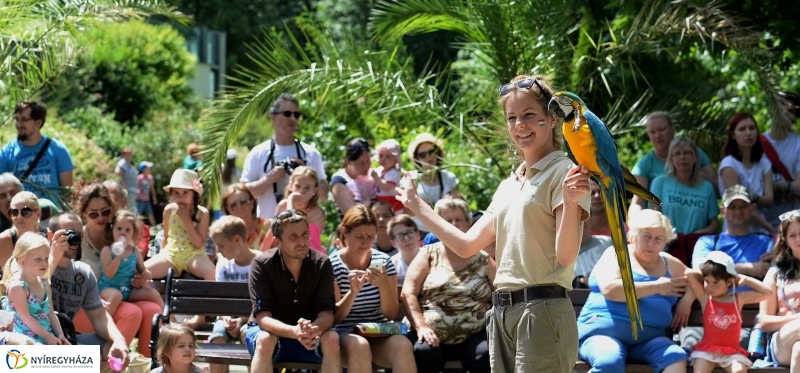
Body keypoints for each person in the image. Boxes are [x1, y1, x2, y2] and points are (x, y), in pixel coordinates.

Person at [397, 74, 591, 372]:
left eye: (529, 115)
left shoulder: (564, 172)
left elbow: (565, 256)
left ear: (552, 119)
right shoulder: (509, 184)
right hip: (501, 314)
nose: (519, 125)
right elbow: (465, 245)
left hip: (542, 312)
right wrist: (415, 204)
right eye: (512, 117)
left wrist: (571, 201)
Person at [577, 209, 692, 373]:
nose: (652, 244)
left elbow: (698, 278)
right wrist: (657, 287)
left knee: (676, 357)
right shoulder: (616, 254)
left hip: (650, 340)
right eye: (646, 236)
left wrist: (687, 300)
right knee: (609, 361)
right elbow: (611, 289)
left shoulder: (670, 263)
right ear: (633, 235)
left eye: (658, 239)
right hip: (603, 335)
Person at [400, 197, 494, 373]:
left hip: (476, 333)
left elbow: (500, 295)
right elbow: (408, 293)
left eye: (458, 219)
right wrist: (421, 327)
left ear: (468, 224)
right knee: (422, 350)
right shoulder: (427, 254)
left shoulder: (484, 259)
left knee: (486, 353)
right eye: (447, 220)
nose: (453, 224)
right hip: (430, 333)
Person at [246, 209, 341, 373]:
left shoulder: (322, 263)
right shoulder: (262, 264)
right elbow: (263, 318)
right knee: (265, 339)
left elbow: (326, 314)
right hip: (271, 335)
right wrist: (295, 332)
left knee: (332, 339)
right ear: (277, 242)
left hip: (309, 337)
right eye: (293, 237)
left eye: (305, 234)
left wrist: (311, 330)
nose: (302, 241)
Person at [681, 185, 775, 350]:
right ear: (722, 211)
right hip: (704, 316)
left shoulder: (766, 243)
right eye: (732, 206)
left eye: (743, 206)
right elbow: (698, 271)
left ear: (752, 209)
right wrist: (748, 268)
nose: (738, 211)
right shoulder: (708, 241)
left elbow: (773, 272)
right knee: (690, 346)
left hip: (742, 320)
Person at [330, 205, 416, 372]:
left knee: (403, 345)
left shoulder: (383, 261)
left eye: (370, 236)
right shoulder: (332, 265)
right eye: (359, 236)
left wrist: (383, 285)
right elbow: (334, 318)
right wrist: (352, 293)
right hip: (346, 334)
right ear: (345, 233)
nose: (365, 242)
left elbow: (390, 314)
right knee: (360, 346)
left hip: (378, 332)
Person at [47, 212, 137, 365]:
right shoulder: (33, 261)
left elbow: (99, 317)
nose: (74, 240)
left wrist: (119, 340)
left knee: (113, 351)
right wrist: (53, 259)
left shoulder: (84, 273)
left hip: (67, 341)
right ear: (51, 236)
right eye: (69, 234)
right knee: (80, 361)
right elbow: (34, 288)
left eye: (79, 235)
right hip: (35, 340)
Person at [241, 93, 328, 219]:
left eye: (296, 115)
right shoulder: (258, 153)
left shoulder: (311, 153)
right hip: (267, 228)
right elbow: (243, 195)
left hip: (303, 231)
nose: (293, 118)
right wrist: (268, 179)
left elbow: (324, 195)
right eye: (287, 114)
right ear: (273, 117)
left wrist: (307, 175)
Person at [685, 251, 771, 373]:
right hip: (707, 350)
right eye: (707, 281)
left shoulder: (738, 298)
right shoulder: (705, 298)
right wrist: (710, 268)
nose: (710, 286)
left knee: (739, 371)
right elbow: (688, 274)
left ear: (729, 282)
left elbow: (768, 293)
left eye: (716, 282)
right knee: (700, 370)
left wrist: (746, 280)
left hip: (732, 351)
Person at [629, 111, 717, 219]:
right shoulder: (644, 164)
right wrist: (634, 224)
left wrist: (695, 174)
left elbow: (718, 188)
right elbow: (638, 202)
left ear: (673, 129)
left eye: (662, 129)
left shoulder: (694, 152)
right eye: (652, 132)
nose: (658, 135)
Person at [207, 216, 257, 373]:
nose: (218, 251)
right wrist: (226, 318)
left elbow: (263, 300)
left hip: (252, 318)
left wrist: (242, 320)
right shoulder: (223, 264)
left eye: (221, 246)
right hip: (227, 317)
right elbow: (220, 298)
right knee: (218, 339)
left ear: (237, 239)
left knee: (250, 337)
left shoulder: (260, 261)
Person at [145, 169, 215, 281]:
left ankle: (205, 298)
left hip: (194, 254)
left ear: (193, 194)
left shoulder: (202, 213)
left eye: (185, 193)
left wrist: (186, 220)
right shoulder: (168, 210)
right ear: (171, 194)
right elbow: (166, 237)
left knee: (212, 273)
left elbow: (198, 244)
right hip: (171, 254)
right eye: (176, 193)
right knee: (141, 271)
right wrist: (161, 256)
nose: (181, 197)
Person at [0, 101, 74, 201]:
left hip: (52, 214)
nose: (18, 124)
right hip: (22, 214)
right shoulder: (6, 153)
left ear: (38, 122)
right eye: (17, 119)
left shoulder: (58, 149)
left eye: (24, 120)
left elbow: (67, 193)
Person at [3, 232, 68, 344]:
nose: (44, 263)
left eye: (46, 258)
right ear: (22, 260)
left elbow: (51, 314)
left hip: (47, 335)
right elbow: (26, 318)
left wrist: (60, 335)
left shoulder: (44, 282)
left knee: (90, 357)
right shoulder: (18, 287)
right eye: (38, 259)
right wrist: (48, 337)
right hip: (24, 338)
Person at [719, 113, 775, 236]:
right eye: (742, 129)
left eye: (752, 128)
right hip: (735, 232)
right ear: (733, 135)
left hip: (761, 233)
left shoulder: (764, 163)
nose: (748, 133)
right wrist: (769, 227)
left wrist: (750, 197)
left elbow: (769, 200)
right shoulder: (729, 164)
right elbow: (738, 204)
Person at [650, 137, 719, 235]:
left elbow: (714, 224)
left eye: (687, 152)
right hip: (667, 243)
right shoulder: (659, 183)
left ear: (696, 157)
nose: (682, 157)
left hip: (697, 244)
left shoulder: (707, 187)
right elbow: (653, 217)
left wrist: (695, 236)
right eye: (677, 153)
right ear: (671, 159)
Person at [99, 210, 163, 315]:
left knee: (153, 293)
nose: (123, 232)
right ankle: (106, 322)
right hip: (109, 287)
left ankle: (166, 319)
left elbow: (142, 268)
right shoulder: (107, 250)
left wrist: (146, 273)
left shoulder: (135, 251)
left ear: (133, 233)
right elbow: (109, 274)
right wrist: (118, 255)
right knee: (116, 296)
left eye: (127, 230)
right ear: (112, 230)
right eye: (119, 229)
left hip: (128, 289)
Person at [758, 210, 800, 369]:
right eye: (793, 235)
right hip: (780, 341)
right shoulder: (775, 274)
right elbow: (764, 322)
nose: (798, 239)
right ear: (785, 241)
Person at [406, 133, 462, 238]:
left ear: (438, 154)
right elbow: (407, 212)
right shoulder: (411, 179)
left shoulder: (448, 178)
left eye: (432, 152)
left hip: (445, 231)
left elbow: (458, 205)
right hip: (418, 233)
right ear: (416, 158)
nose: (428, 157)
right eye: (423, 155)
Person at [762, 92, 800, 228]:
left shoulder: (798, 144)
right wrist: (788, 187)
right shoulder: (756, 145)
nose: (785, 112)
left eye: (791, 110)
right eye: (781, 106)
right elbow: (752, 186)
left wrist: (769, 188)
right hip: (762, 225)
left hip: (792, 225)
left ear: (795, 117)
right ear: (772, 110)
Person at [276, 166, 326, 253]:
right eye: (298, 186)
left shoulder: (316, 212)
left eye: (307, 188)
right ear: (290, 186)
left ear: (314, 191)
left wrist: (292, 198)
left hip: (311, 259)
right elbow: (273, 233)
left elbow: (293, 227)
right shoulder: (283, 206)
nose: (302, 191)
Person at [0, 192, 48, 273]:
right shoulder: (4, 240)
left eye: (26, 212)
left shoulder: (49, 235)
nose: (19, 217)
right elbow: (9, 277)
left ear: (38, 213)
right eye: (14, 212)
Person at [221, 183, 275, 251]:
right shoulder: (225, 235)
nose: (239, 207)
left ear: (252, 204)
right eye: (233, 205)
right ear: (228, 209)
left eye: (243, 202)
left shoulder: (269, 226)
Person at [331, 138, 375, 217]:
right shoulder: (340, 180)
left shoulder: (374, 175)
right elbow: (351, 214)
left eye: (368, 161)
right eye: (361, 163)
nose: (366, 166)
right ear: (348, 161)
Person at [573, 212, 612, 288]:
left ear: (591, 221)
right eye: (575, 217)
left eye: (585, 216)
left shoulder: (608, 244)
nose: (581, 220)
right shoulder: (556, 254)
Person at [372, 139, 404, 214]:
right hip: (381, 202)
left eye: (387, 157)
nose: (383, 159)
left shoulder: (393, 173)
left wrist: (376, 177)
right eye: (381, 156)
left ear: (396, 160)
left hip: (393, 204)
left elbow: (386, 187)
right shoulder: (379, 170)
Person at [388, 214, 421, 285]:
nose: (406, 238)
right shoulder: (391, 266)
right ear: (393, 243)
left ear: (418, 234)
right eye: (400, 236)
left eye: (410, 232)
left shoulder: (433, 259)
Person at [136, 161, 158, 227]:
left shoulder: (150, 178)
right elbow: (136, 187)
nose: (149, 169)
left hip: (147, 200)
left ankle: (154, 227)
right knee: (138, 214)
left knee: (150, 213)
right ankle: (136, 226)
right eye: (148, 168)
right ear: (144, 169)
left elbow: (152, 188)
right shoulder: (139, 177)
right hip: (140, 199)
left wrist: (154, 197)